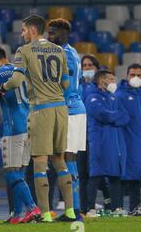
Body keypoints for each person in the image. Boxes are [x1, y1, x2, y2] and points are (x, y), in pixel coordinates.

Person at [0, 14, 75, 223]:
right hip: (61, 109)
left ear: (32, 30)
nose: (22, 34)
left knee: (40, 161)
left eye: (23, 30)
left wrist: (1, 88)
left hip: (42, 109)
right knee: (60, 160)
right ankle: (70, 212)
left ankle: (46, 215)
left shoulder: (24, 51)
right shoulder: (59, 50)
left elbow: (16, 80)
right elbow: (66, 83)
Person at [0, 45, 40, 224]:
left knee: (11, 174)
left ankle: (32, 208)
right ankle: (17, 214)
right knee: (19, 173)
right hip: (29, 125)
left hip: (13, 128)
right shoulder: (22, 72)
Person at [47, 19, 86, 221]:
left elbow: (64, 85)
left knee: (65, 157)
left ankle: (74, 211)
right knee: (67, 158)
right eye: (48, 33)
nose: (49, 37)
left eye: (53, 33)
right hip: (74, 108)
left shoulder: (65, 54)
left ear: (63, 33)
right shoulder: (70, 52)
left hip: (70, 110)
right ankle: (74, 209)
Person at [85, 70, 129, 218]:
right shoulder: (92, 97)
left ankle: (116, 208)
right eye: (110, 79)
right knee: (96, 174)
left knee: (114, 175)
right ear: (101, 81)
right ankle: (90, 208)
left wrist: (113, 118)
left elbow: (125, 117)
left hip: (114, 141)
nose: (113, 82)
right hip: (99, 141)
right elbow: (102, 115)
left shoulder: (113, 98)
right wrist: (115, 117)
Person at [79, 54, 111, 213]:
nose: (86, 68)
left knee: (95, 173)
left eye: (90, 65)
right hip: (80, 135)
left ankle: (106, 199)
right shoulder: (77, 87)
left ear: (97, 69)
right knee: (82, 174)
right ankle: (84, 208)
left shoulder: (99, 88)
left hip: (95, 135)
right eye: (84, 65)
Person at [115, 63, 141, 214]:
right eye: (133, 75)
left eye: (139, 75)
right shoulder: (120, 95)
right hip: (129, 142)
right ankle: (132, 209)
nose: (136, 78)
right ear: (126, 76)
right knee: (133, 178)